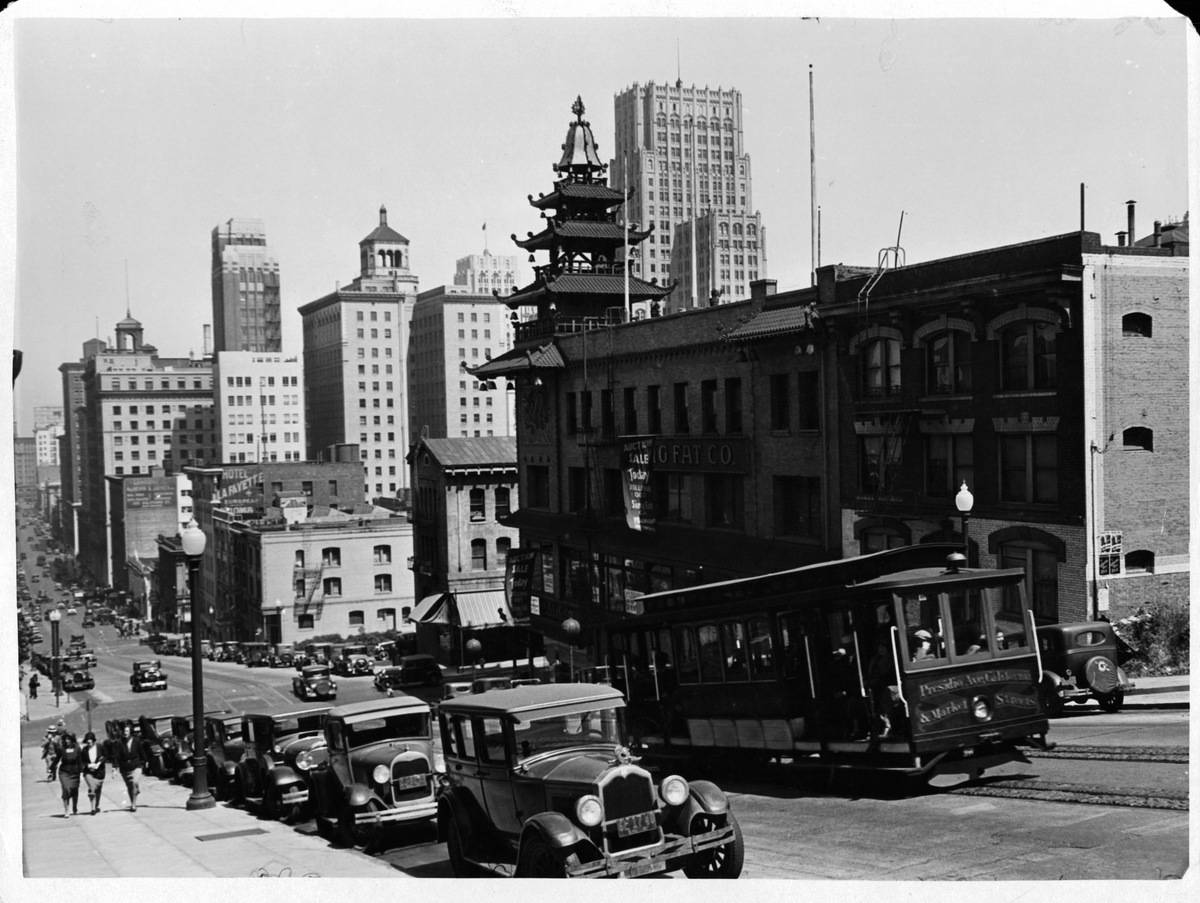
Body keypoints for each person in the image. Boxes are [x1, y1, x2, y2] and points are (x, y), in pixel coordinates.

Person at [112, 721, 145, 811]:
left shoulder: (136, 740)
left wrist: (144, 762)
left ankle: (134, 800)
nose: (125, 733)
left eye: (127, 731)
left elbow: (142, 752)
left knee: (134, 782)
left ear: (130, 731)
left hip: (136, 766)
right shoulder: (119, 743)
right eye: (124, 731)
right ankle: (133, 803)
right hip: (125, 767)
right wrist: (115, 768)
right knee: (130, 787)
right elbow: (116, 756)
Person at [55, 732, 84, 818]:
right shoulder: (62, 748)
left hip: (75, 772)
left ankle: (74, 807)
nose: (67, 741)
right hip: (64, 772)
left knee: (74, 791)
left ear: (72, 740)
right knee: (66, 789)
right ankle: (66, 810)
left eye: (69, 739)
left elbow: (80, 761)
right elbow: (57, 759)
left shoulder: (77, 748)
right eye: (66, 739)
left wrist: (81, 773)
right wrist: (51, 768)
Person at [81, 731, 107, 814]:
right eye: (87, 742)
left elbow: (105, 756)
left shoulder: (100, 747)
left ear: (93, 741)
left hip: (99, 773)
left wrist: (98, 764)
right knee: (92, 788)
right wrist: (88, 765)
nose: (89, 744)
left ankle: (96, 806)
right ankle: (92, 809)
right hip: (88, 773)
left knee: (98, 790)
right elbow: (81, 762)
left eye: (90, 741)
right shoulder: (84, 750)